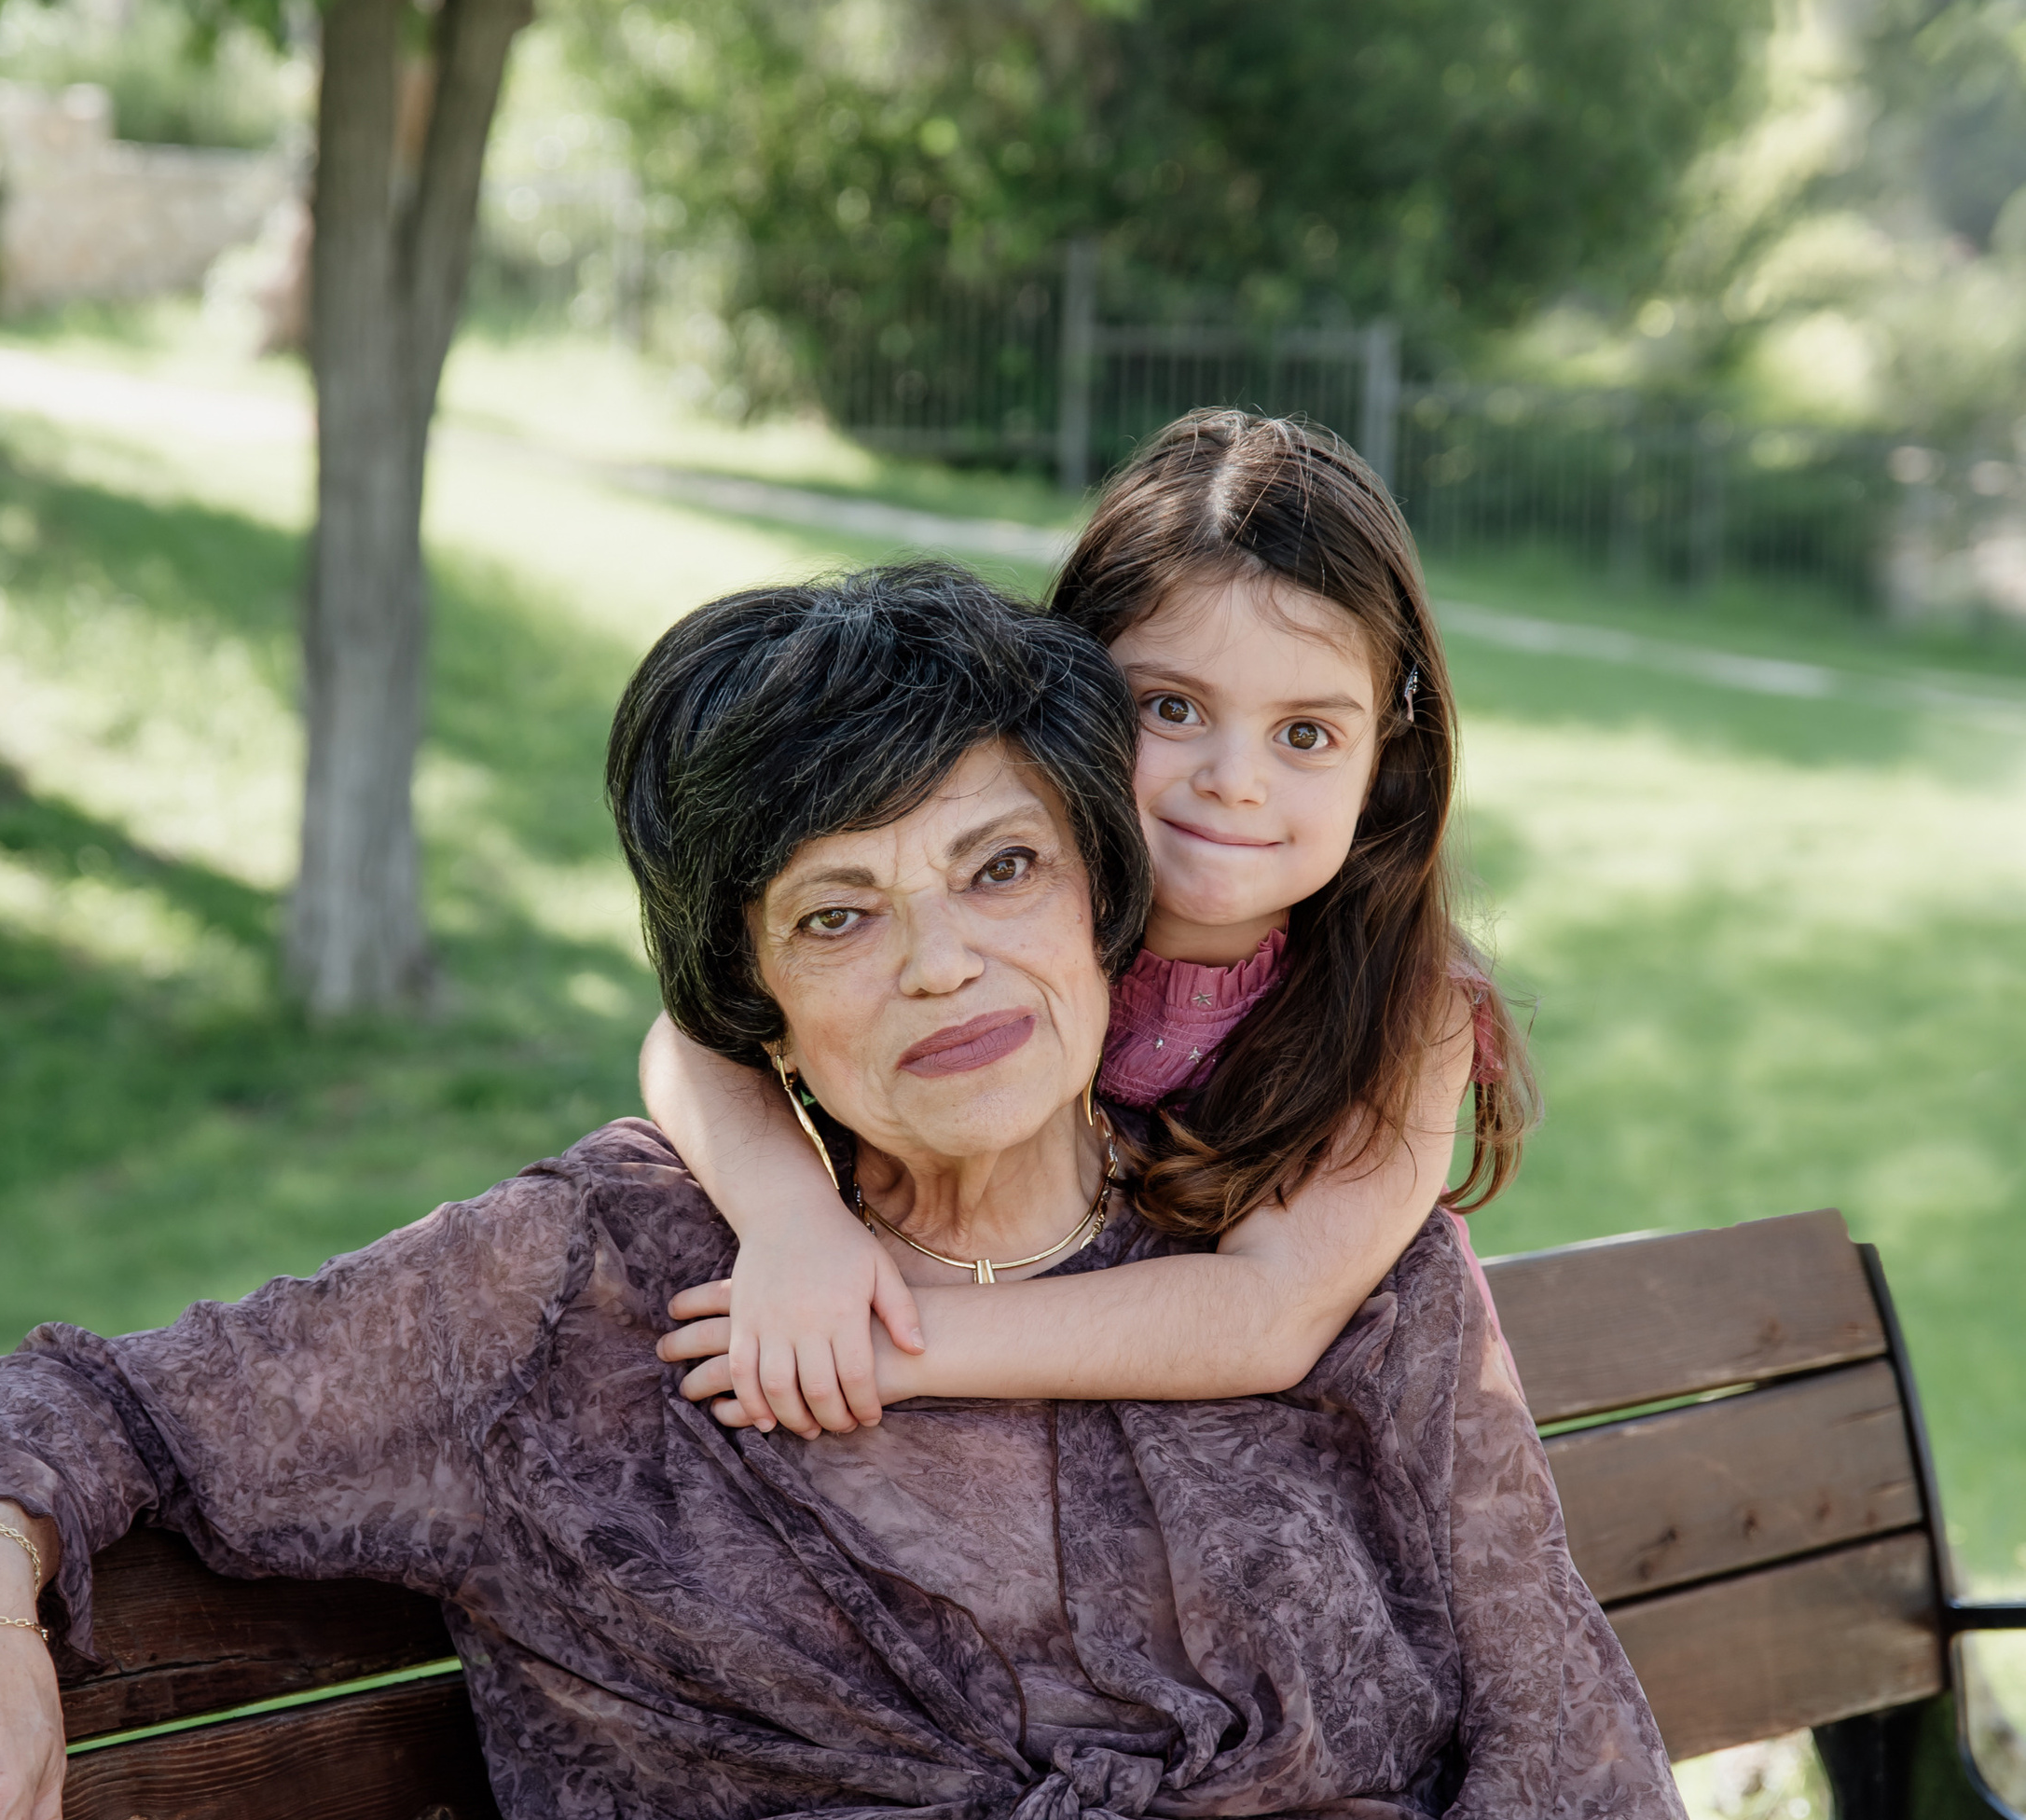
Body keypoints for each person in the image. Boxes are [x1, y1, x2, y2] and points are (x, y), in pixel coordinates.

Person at [0, 565, 1840, 1820]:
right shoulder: (587, 1286)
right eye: (839, 914)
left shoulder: (1303, 1251)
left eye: (999, 871)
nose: (941, 965)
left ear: (1101, 889)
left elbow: (1549, 1725)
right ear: (746, 991)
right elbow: (90, 1407)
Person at [642, 409, 1535, 1440]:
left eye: (1304, 733)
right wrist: (793, 1225)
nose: (1233, 783)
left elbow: (1267, 1313)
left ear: (1383, 758)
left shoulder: (1406, 1009)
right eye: (1171, 709)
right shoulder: (1010, 917)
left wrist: (884, 1340)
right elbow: (698, 1036)